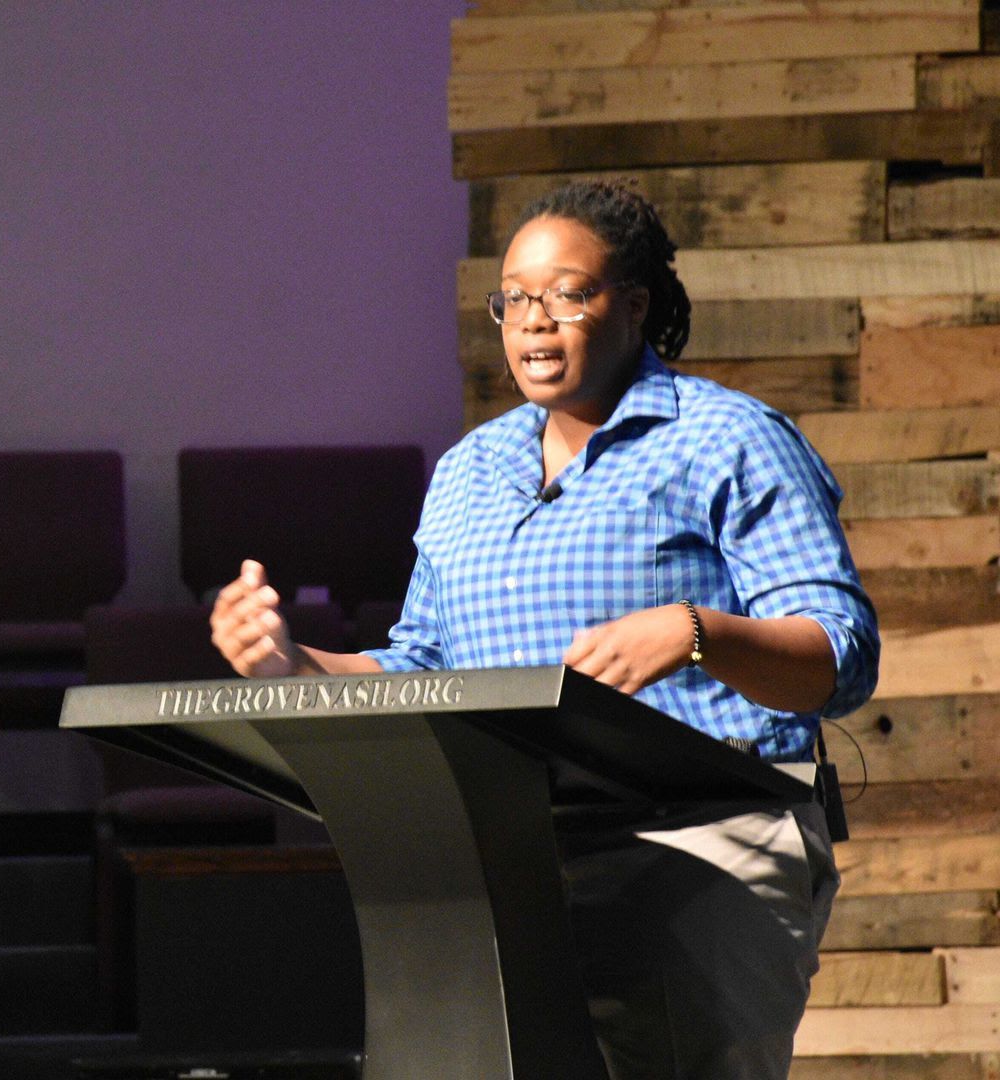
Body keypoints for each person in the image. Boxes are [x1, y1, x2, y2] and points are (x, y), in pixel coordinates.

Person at [208, 179, 879, 1079]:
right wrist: (290, 664)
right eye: (514, 299)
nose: (534, 321)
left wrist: (695, 632)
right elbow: (422, 667)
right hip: (507, 855)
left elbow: (839, 651)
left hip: (696, 841)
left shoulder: (726, 439)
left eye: (567, 294)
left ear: (634, 306)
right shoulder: (469, 470)